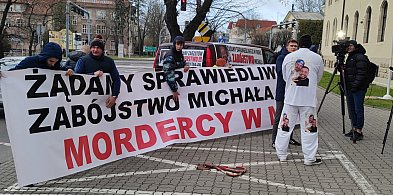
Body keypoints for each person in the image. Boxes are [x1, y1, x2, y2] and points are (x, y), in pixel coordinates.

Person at [275, 34, 324, 166]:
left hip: (291, 98)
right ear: (310, 44)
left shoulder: (289, 57)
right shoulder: (317, 58)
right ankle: (309, 158)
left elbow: (285, 76)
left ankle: (281, 154)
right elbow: (319, 77)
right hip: (308, 100)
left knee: (285, 126)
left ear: (299, 44)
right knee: (309, 129)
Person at [271, 39, 301, 148]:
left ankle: (289, 138)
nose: (293, 48)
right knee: (279, 117)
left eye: (295, 46)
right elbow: (280, 72)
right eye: (291, 46)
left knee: (291, 117)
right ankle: (274, 140)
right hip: (282, 92)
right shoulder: (281, 58)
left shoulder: (298, 58)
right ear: (287, 47)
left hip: (293, 92)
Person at [74, 39, 120, 108]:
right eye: (93, 47)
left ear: (102, 50)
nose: (95, 50)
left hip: (104, 100)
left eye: (98, 48)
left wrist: (114, 96)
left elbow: (116, 79)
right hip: (85, 99)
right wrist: (93, 74)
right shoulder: (83, 60)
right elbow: (76, 78)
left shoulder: (109, 61)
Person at [343, 40, 369, 141]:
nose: (348, 47)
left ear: (355, 46)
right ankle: (353, 127)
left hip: (358, 88)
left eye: (350, 46)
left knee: (358, 109)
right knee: (351, 108)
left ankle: (359, 130)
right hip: (350, 87)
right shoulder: (350, 57)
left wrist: (355, 85)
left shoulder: (360, 57)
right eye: (347, 46)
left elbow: (361, 73)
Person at [8, 42, 73, 76]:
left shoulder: (56, 66)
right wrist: (3, 74)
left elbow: (63, 69)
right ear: (45, 57)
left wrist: (69, 70)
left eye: (56, 62)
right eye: (51, 61)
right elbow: (14, 72)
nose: (53, 64)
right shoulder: (30, 61)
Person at [162, 36, 189, 101]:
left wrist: (186, 65)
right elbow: (169, 74)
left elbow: (182, 62)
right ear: (174, 44)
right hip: (169, 87)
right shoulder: (170, 56)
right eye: (177, 44)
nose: (179, 47)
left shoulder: (179, 54)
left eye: (181, 45)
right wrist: (174, 90)